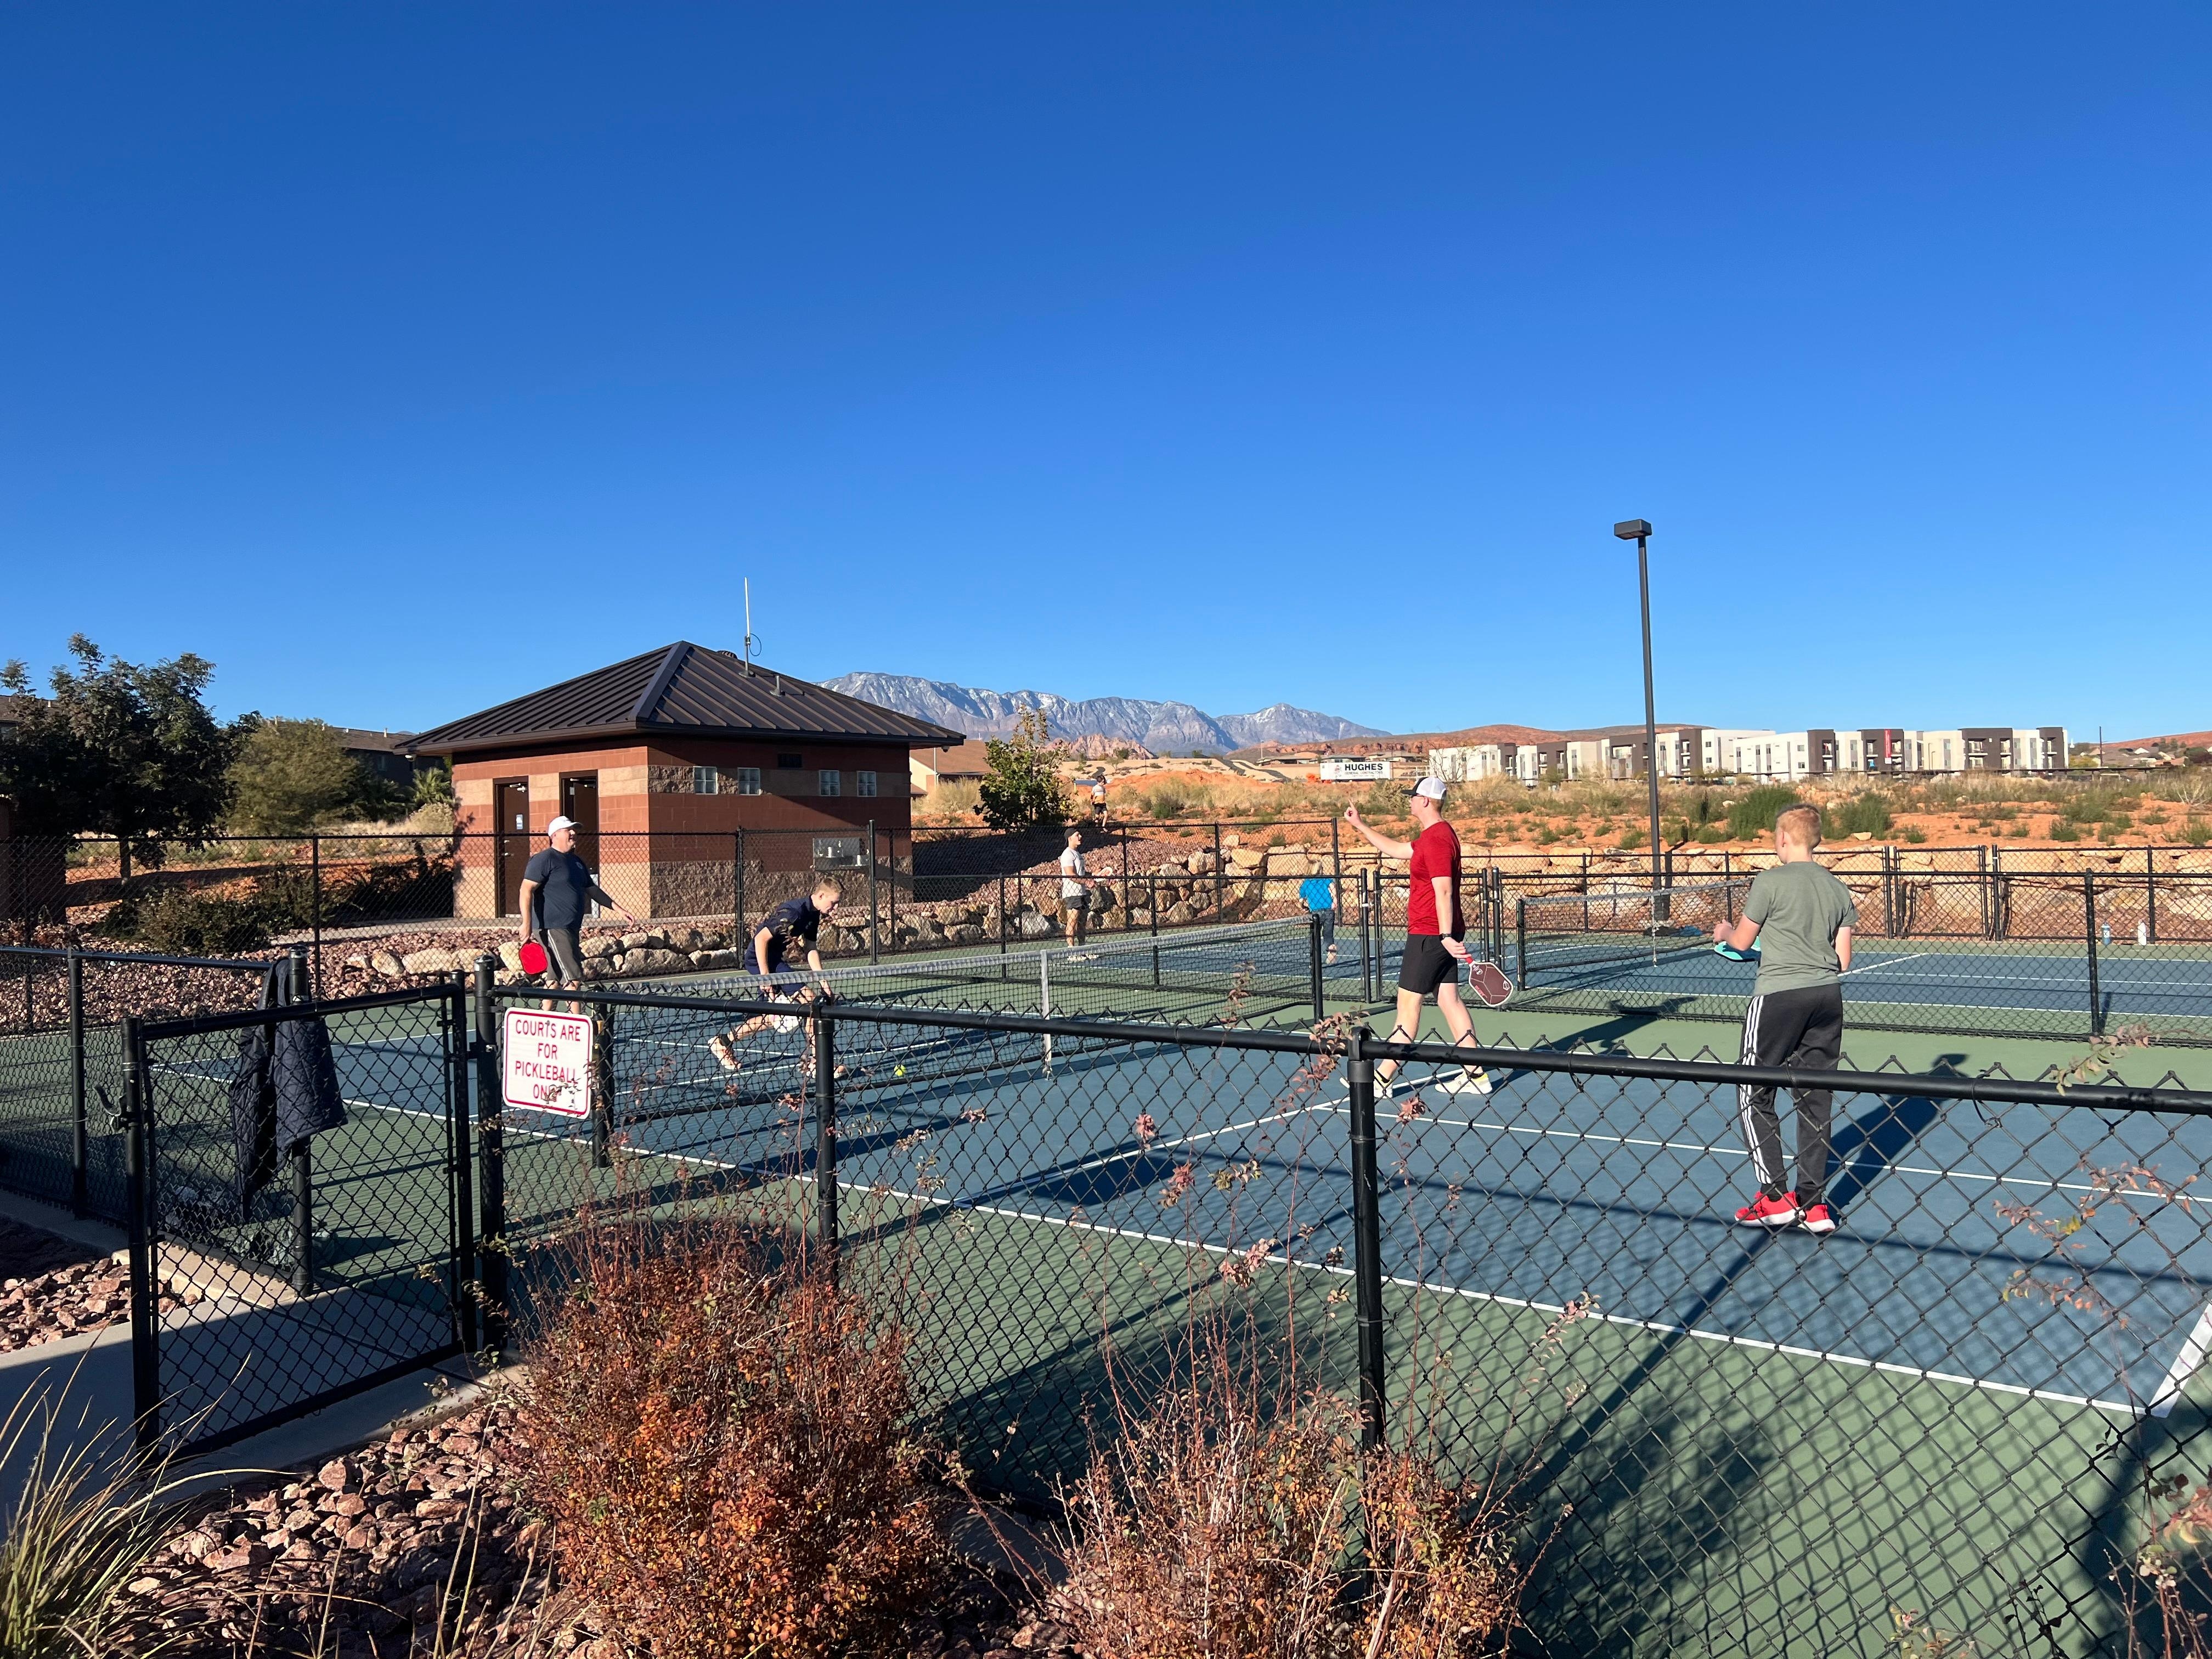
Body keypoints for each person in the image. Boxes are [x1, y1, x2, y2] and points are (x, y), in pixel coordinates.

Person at [1713, 804, 1857, 1235]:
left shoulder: (1769, 881)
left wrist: (1723, 935)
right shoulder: (1838, 888)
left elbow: (1741, 941)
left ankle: (1774, 1198)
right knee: (1815, 1100)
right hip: (1827, 999)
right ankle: (1813, 1206)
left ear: (1783, 840)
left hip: (1776, 998)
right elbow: (1842, 961)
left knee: (1752, 1091)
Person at [1344, 777, 1490, 1098]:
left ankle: (1382, 1079)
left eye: (1413, 797)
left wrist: (1446, 935)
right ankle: (1476, 1075)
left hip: (1430, 934)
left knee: (1408, 1005)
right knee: (1448, 1000)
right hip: (1437, 933)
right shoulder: (1433, 837)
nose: (1409, 801)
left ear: (1425, 801)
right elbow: (1397, 850)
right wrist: (1361, 825)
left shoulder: (1437, 840)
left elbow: (1445, 890)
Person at [518, 817, 637, 997]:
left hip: (571, 927)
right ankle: (577, 1021)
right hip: (552, 927)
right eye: (569, 830)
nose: (574, 833)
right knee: (573, 978)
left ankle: (545, 1019)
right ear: (555, 835)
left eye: (574, 830)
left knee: (554, 978)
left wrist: (619, 910)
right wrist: (526, 923)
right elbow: (526, 889)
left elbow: (593, 891)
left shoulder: (577, 862)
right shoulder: (543, 859)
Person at [1059, 827, 1099, 952]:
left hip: (1081, 893)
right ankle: (1071, 952)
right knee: (1072, 922)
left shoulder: (1077, 854)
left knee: (1082, 922)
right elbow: (1071, 875)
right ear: (1070, 838)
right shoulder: (1067, 854)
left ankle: (1082, 949)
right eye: (1077, 835)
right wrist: (1087, 881)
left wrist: (1092, 875)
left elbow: (1080, 873)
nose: (1080, 837)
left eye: (1080, 834)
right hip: (1072, 894)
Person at [1299, 871, 1339, 964]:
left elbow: (1301, 900)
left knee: (1314, 935)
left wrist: (1303, 907)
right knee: (1328, 934)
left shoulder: (1306, 883)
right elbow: (1333, 887)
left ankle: (1314, 960)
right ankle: (1331, 948)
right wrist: (1335, 900)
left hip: (1316, 913)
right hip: (1329, 910)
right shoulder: (1325, 879)